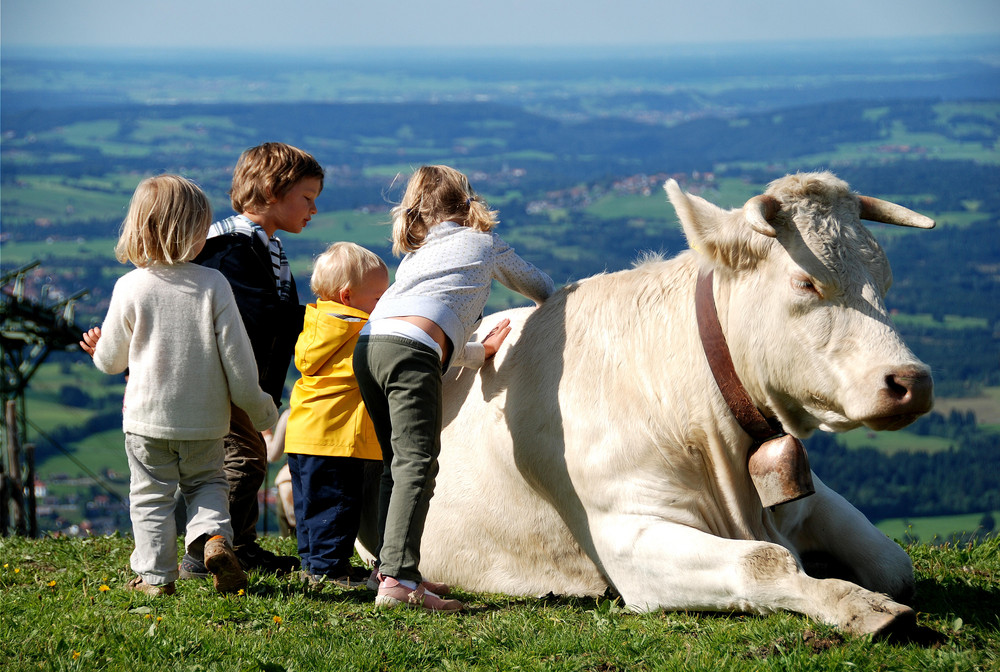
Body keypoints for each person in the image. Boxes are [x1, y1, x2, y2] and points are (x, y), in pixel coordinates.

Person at [354, 165, 555, 612]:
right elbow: (540, 287)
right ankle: (401, 583)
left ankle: (388, 569)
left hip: (369, 347)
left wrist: (475, 353)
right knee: (418, 465)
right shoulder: (483, 243)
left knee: (396, 463)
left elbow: (425, 331)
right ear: (467, 205)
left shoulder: (415, 256)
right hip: (409, 353)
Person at [80, 175, 278, 596]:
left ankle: (155, 579)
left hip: (147, 422)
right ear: (197, 231)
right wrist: (262, 411)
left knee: (150, 496)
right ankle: (214, 540)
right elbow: (240, 365)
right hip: (206, 422)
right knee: (208, 482)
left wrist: (97, 350)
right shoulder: (213, 285)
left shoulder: (130, 286)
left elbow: (112, 362)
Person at [182, 142, 324, 578]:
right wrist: (332, 320)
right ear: (270, 189)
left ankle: (235, 546)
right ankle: (208, 552)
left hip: (240, 381)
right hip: (222, 380)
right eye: (307, 198)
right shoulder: (231, 250)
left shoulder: (260, 247)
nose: (313, 210)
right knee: (242, 461)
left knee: (246, 460)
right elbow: (264, 314)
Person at [284, 242, 389, 587]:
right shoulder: (361, 330)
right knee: (337, 506)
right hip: (338, 438)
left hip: (302, 434)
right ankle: (331, 572)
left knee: (310, 506)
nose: (382, 304)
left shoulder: (316, 324)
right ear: (347, 296)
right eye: (377, 298)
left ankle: (312, 565)